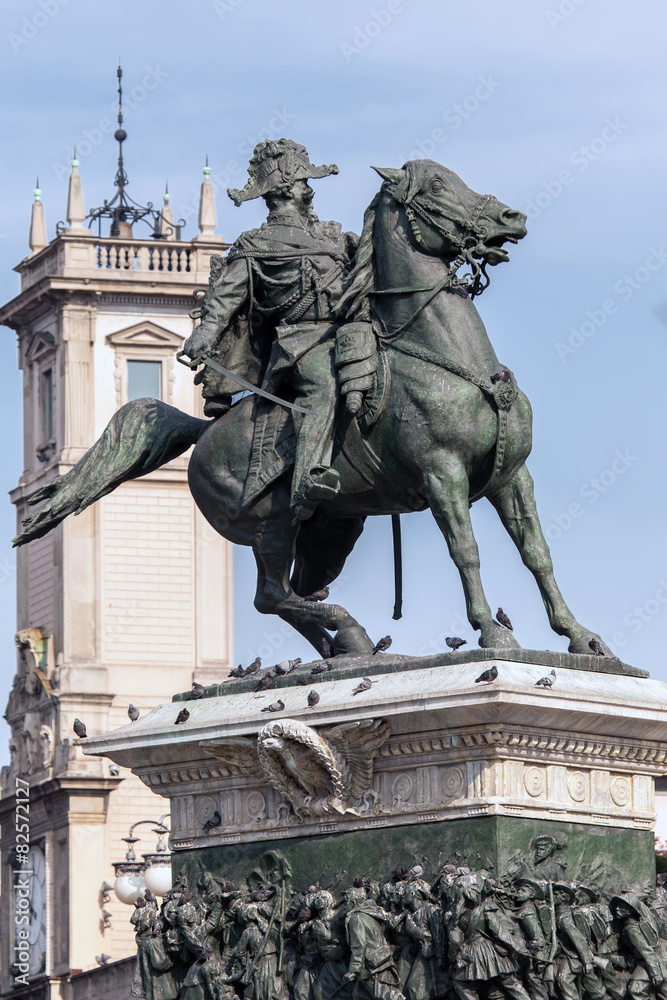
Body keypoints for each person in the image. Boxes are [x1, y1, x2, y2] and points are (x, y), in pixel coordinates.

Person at [182, 138, 358, 521]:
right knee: (324, 385)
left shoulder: (330, 236)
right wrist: (205, 333)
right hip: (302, 345)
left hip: (347, 333)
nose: (310, 188)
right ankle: (309, 477)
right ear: (286, 189)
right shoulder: (255, 245)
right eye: (303, 181)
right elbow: (226, 298)